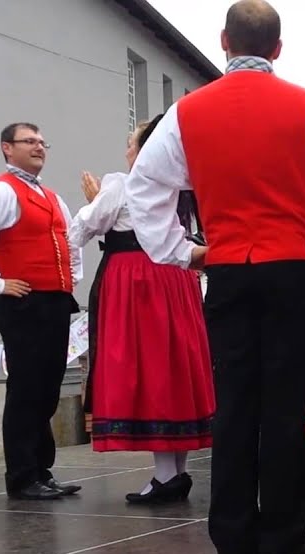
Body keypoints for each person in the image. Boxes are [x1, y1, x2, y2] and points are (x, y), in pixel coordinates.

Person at [125, 0, 305, 554]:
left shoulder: (188, 112)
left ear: (223, 41)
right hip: (293, 267)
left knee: (236, 401)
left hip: (228, 270)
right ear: (279, 49)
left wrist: (183, 251)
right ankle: (285, 534)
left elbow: (144, 189)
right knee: (286, 405)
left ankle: (233, 537)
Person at [69, 115, 215, 504]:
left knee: (151, 368)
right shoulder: (184, 190)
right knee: (172, 368)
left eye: (131, 144)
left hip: (139, 280)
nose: (126, 151)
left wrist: (97, 204)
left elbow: (77, 231)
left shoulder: (122, 183)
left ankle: (168, 475)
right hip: (178, 279)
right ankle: (174, 471)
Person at [0, 122, 84, 501]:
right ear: (7, 148)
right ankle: (23, 476)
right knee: (27, 389)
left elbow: (70, 240)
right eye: (29, 141)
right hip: (24, 301)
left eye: (43, 142)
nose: (39, 147)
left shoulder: (51, 196)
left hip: (54, 301)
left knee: (47, 388)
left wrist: (70, 279)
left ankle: (41, 470)